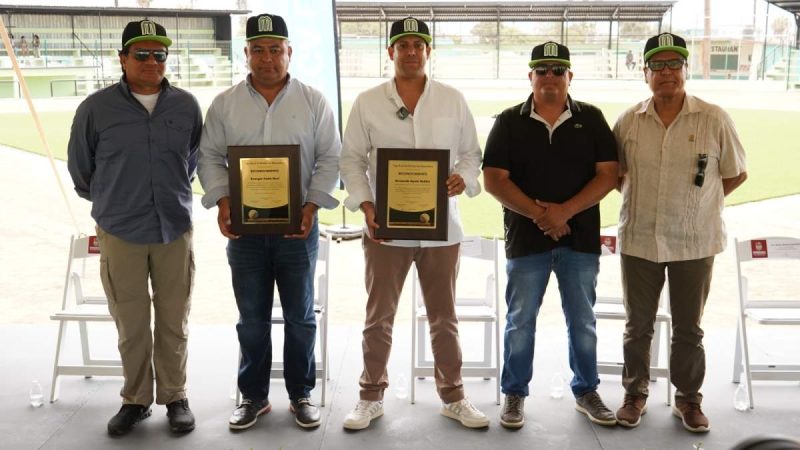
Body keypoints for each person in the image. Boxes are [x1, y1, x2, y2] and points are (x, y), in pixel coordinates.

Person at [339, 16, 489, 431]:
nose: (410, 52)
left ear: (428, 51)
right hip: (385, 229)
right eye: (402, 45)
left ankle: (453, 397)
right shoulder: (368, 101)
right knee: (378, 317)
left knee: (444, 317)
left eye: (418, 45)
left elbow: (472, 155)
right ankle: (370, 396)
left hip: (442, 231)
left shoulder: (452, 99)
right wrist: (366, 204)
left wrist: (464, 178)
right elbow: (351, 160)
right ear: (390, 51)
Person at [197, 13, 341, 431]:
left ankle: (301, 394)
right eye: (258, 50)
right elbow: (209, 157)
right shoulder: (225, 103)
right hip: (245, 232)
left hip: (298, 229)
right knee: (251, 319)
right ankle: (253, 397)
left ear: (289, 52)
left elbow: (330, 157)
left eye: (275, 49)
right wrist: (223, 201)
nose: (267, 58)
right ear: (245, 53)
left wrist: (311, 207)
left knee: (300, 317)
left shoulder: (313, 101)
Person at [67, 19, 202, 436]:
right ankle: (136, 400)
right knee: (131, 323)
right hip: (120, 230)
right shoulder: (95, 108)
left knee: (174, 319)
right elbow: (81, 170)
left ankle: (175, 396)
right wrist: (116, 200)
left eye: (159, 54)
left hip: (173, 229)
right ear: (122, 58)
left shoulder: (186, 106)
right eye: (141, 53)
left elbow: (191, 161)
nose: (151, 61)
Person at [612, 32, 747, 433]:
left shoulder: (713, 117)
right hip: (639, 238)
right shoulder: (628, 121)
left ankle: (688, 399)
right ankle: (635, 394)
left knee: (689, 327)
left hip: (695, 242)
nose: (666, 72)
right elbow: (615, 176)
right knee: (638, 325)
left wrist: (699, 206)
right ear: (645, 73)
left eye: (674, 64)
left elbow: (736, 173)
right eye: (657, 64)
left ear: (687, 69)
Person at [482, 41, 619, 429]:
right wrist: (543, 216)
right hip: (526, 242)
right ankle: (514, 393)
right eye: (541, 70)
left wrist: (564, 212)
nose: (550, 76)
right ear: (530, 76)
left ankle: (586, 390)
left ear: (570, 76)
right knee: (520, 322)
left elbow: (608, 175)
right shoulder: (508, 121)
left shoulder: (592, 118)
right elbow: (494, 180)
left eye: (558, 70)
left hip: (580, 240)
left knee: (582, 321)